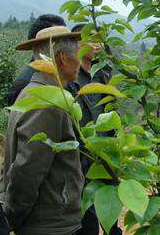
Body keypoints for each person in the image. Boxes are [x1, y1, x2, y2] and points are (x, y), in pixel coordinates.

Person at [0, 26, 84, 235]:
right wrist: (12, 216)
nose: (81, 61)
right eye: (79, 53)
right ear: (63, 57)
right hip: (49, 223)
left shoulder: (32, 91)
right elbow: (28, 169)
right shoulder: (48, 102)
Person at [66, 24, 121, 235]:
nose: (97, 45)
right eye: (92, 39)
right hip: (83, 155)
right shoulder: (71, 76)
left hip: (107, 153)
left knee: (111, 210)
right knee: (87, 213)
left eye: (99, 40)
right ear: (78, 44)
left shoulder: (103, 72)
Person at [7, 14, 66, 105]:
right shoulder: (25, 83)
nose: (68, 46)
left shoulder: (65, 76)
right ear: (40, 45)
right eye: (59, 40)